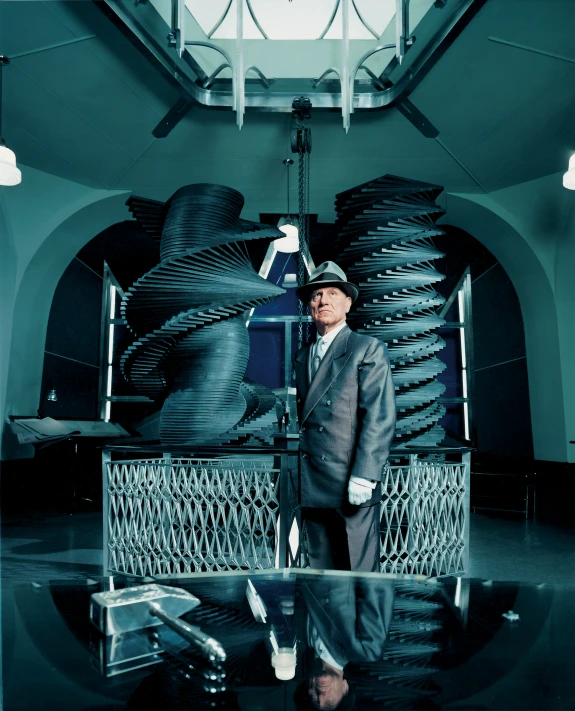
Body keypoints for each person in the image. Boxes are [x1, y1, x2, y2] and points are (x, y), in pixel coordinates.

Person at [293, 261, 396, 572]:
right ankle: (328, 624)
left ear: (348, 302)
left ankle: (364, 624)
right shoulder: (303, 354)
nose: (323, 301)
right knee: (322, 575)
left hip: (351, 480)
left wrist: (365, 474)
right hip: (312, 481)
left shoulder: (366, 348)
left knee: (358, 574)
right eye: (316, 295)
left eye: (333, 293)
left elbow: (379, 414)